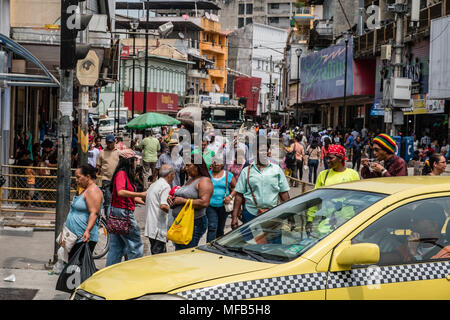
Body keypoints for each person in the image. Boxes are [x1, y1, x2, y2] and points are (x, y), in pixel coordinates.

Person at [231, 138, 290, 229]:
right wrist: (234, 217)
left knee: (273, 242)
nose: (263, 153)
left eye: (265, 150)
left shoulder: (276, 169)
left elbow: (284, 193)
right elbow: (239, 195)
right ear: (255, 152)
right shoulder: (246, 171)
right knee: (251, 242)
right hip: (250, 214)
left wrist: (290, 215)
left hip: (273, 215)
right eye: (261, 150)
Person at [106, 149, 147, 266]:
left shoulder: (124, 174)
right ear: (130, 161)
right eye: (135, 160)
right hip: (122, 213)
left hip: (118, 212)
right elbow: (120, 192)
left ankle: (110, 273)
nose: (136, 163)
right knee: (136, 245)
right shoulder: (122, 174)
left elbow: (125, 194)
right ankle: (133, 272)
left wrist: (139, 200)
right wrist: (139, 194)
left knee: (117, 247)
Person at [307, 144, 360, 235]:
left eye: (331, 158)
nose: (327, 161)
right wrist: (310, 219)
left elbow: (359, 199)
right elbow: (315, 199)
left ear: (340, 158)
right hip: (326, 220)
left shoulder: (352, 174)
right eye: (327, 158)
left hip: (347, 221)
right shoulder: (323, 175)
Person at [168, 155, 213, 250]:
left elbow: (204, 202)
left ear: (197, 166)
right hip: (181, 222)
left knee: (186, 252)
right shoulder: (191, 180)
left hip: (194, 222)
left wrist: (183, 201)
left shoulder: (204, 181)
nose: (186, 168)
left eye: (188, 165)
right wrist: (172, 199)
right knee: (180, 251)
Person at [65, 164, 103, 261]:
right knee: (75, 267)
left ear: (88, 177)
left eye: (78, 177)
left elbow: (94, 213)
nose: (76, 180)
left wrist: (87, 231)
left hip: (84, 237)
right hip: (76, 237)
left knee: (79, 267)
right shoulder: (86, 190)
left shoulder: (93, 191)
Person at [144, 164, 175, 255]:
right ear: (170, 175)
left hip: (151, 227)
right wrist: (175, 211)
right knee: (158, 257)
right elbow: (163, 206)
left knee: (155, 254)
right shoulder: (165, 186)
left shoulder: (154, 185)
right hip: (158, 229)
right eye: (174, 175)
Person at [206, 158, 237, 242]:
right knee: (212, 226)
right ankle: (209, 247)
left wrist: (230, 197)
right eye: (214, 162)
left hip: (223, 206)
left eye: (218, 163)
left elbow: (236, 187)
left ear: (222, 164)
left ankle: (218, 246)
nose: (216, 164)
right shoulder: (207, 175)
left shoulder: (228, 175)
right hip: (210, 205)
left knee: (220, 228)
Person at [96, 134, 120, 217]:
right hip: (106, 180)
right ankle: (108, 219)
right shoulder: (102, 153)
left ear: (114, 142)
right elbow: (98, 167)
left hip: (117, 180)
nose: (110, 144)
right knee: (108, 200)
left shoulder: (118, 152)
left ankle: (114, 218)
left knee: (116, 201)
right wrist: (97, 181)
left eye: (111, 142)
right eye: (108, 142)